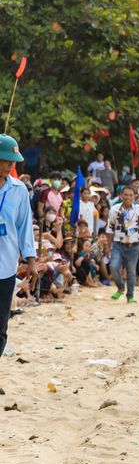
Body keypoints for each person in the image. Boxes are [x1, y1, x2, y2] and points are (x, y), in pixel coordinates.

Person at [0, 134, 38, 355]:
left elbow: (25, 227)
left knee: (1, 327)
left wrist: (31, 260)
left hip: (5, 268)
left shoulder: (19, 190)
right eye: (5, 160)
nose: (10, 165)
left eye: (13, 161)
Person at [105, 185, 139, 303]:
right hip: (117, 244)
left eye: (131, 195)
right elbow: (110, 229)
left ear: (135, 197)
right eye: (125, 195)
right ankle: (120, 287)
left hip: (134, 246)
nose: (128, 197)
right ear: (121, 196)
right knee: (113, 267)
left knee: (131, 271)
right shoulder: (114, 210)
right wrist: (107, 246)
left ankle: (130, 296)